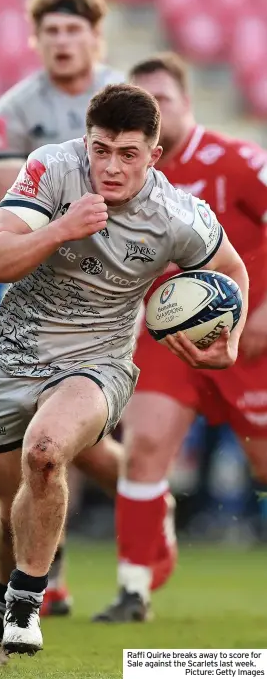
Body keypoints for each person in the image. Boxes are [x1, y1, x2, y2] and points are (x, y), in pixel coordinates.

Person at [0, 83, 249, 666]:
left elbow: (231, 271)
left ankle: (27, 603)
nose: (111, 166)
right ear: (86, 142)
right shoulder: (50, 168)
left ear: (153, 155)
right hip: (12, 357)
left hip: (98, 362)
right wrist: (61, 229)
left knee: (46, 453)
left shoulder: (177, 215)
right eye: (101, 150)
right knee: (7, 509)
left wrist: (232, 338)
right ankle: (4, 608)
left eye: (127, 154)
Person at [93, 52, 267, 623]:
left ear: (187, 103)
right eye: (147, 107)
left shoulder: (237, 161)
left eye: (164, 101)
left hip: (251, 336)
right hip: (166, 339)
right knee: (142, 449)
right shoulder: (124, 176)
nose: (157, 114)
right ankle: (133, 589)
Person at [0, 0, 127, 617]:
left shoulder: (127, 101)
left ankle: (148, 514)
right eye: (52, 32)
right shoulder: (14, 111)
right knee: (37, 457)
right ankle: (51, 581)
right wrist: (71, 220)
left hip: (111, 304)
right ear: (37, 41)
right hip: (37, 298)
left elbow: (159, 196)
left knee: (75, 449)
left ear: (96, 38)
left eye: (75, 30)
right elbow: (8, 202)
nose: (63, 41)